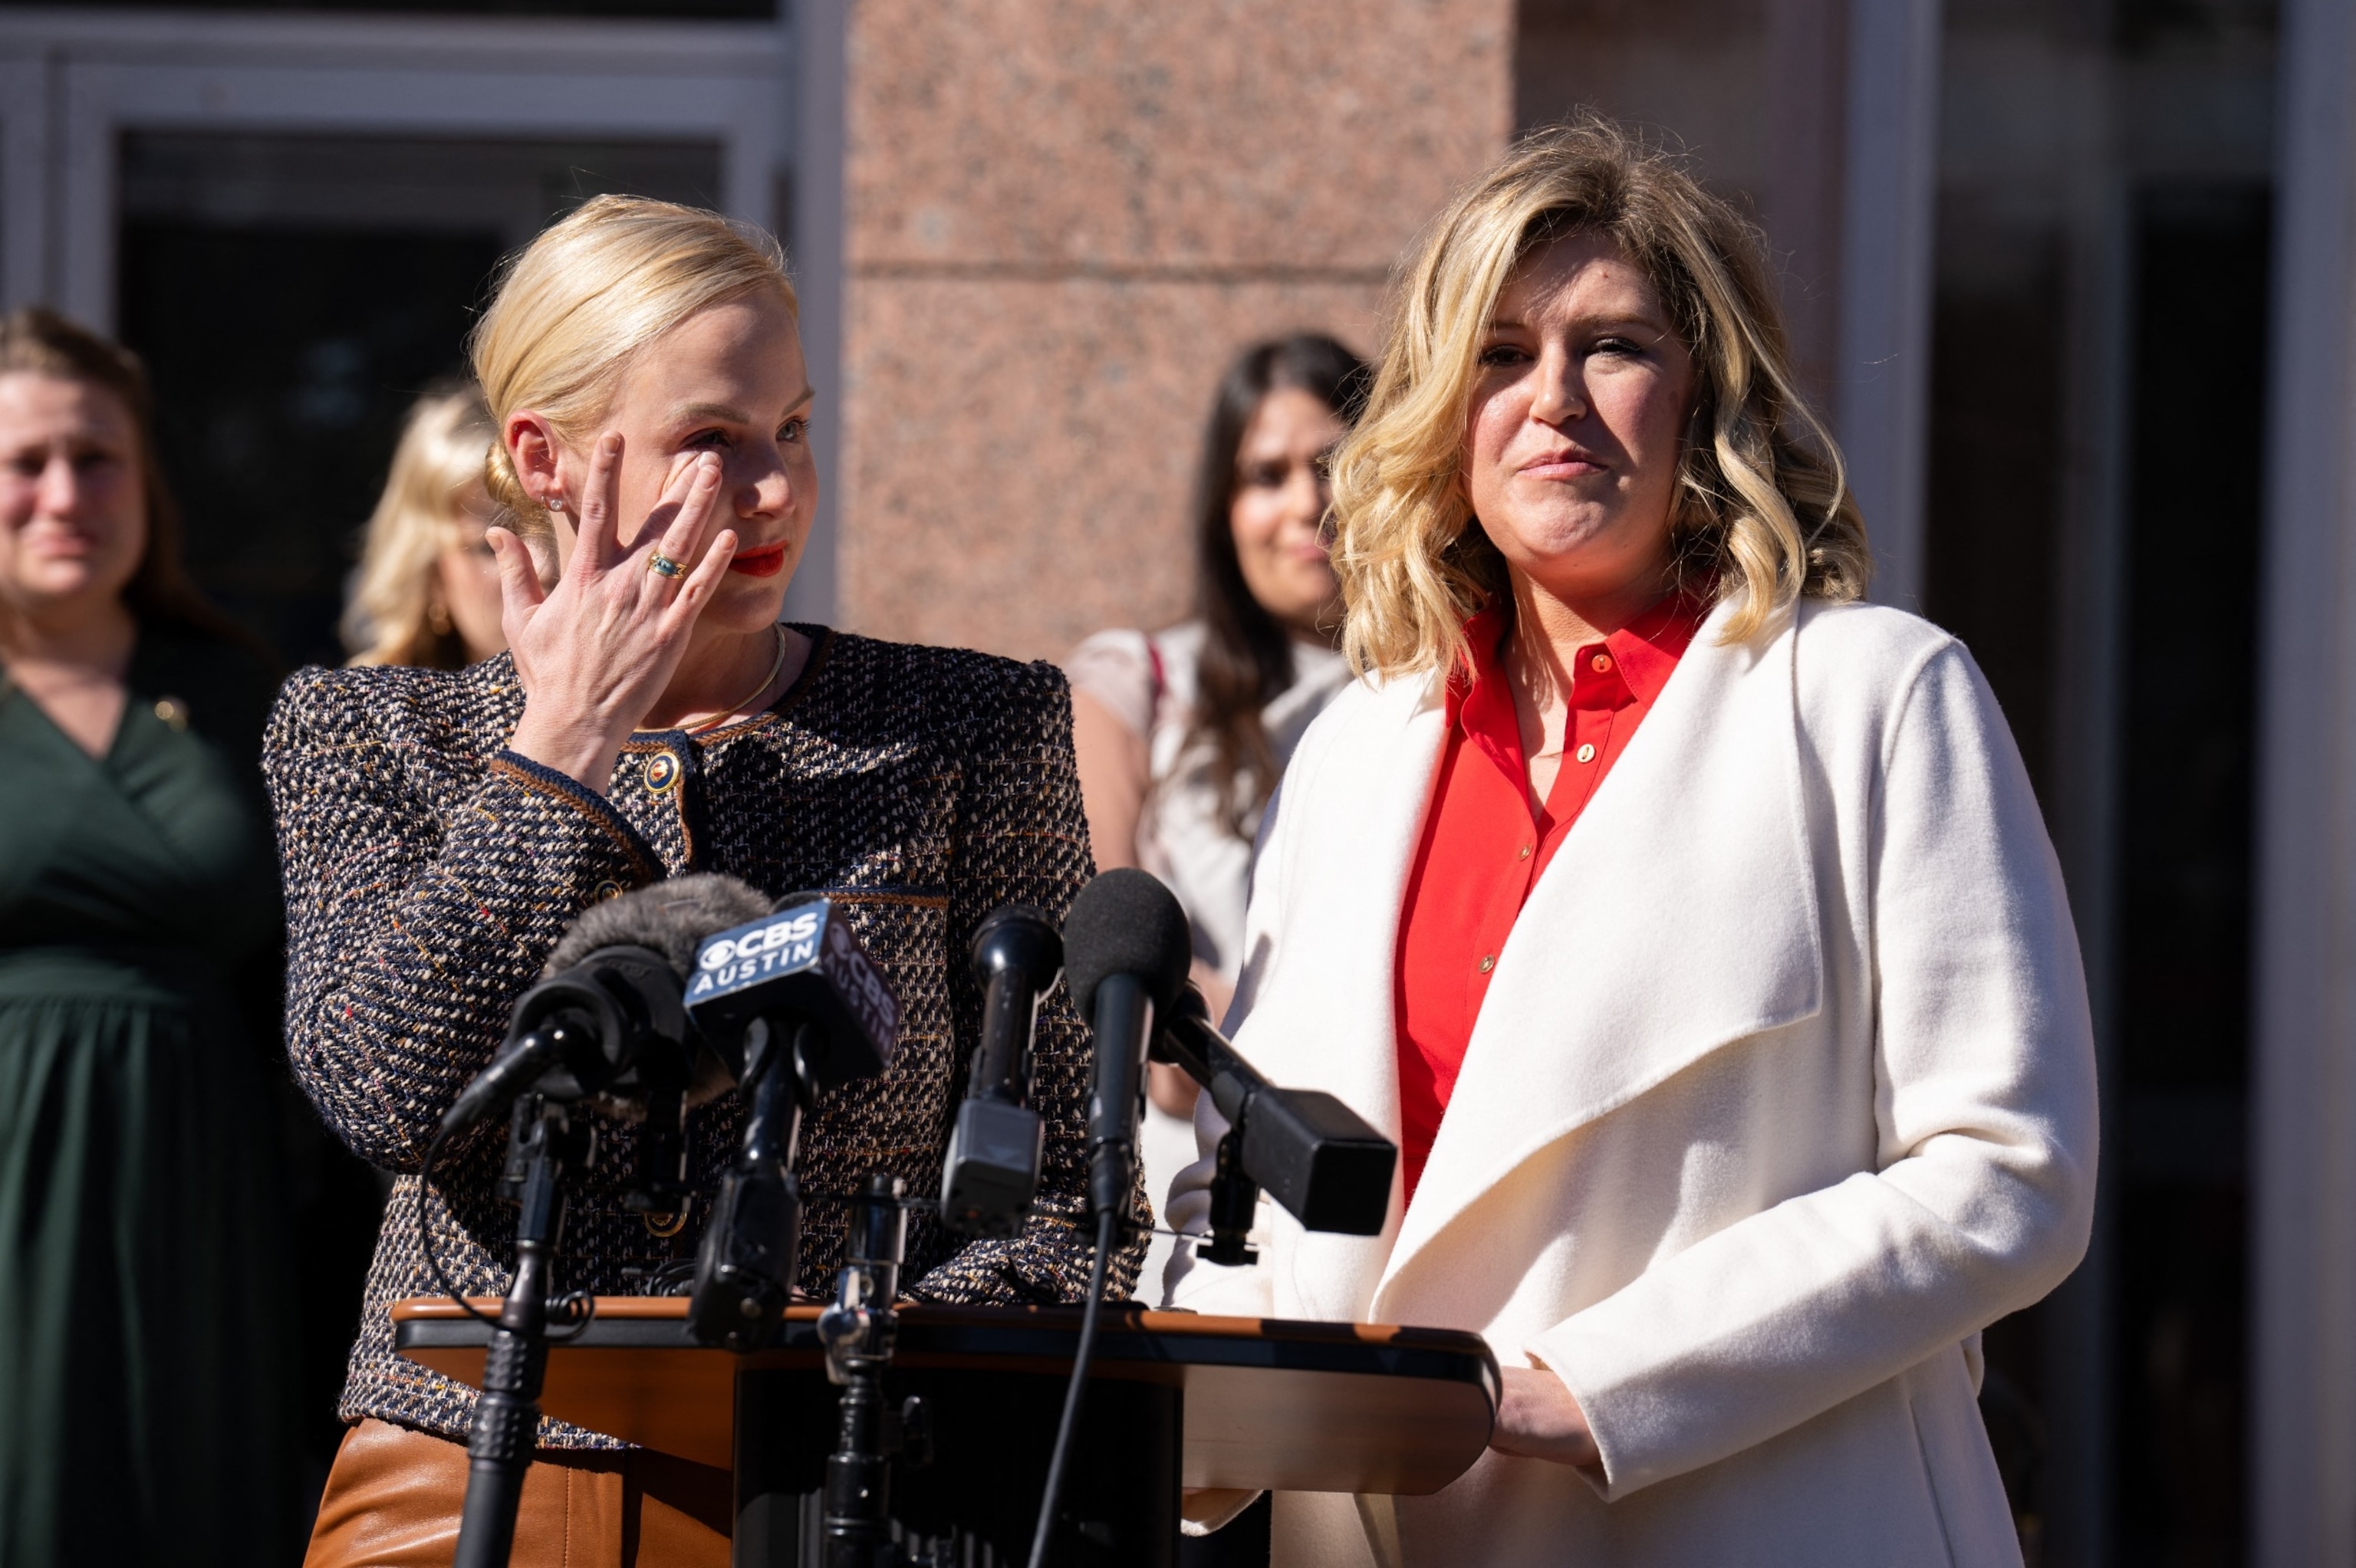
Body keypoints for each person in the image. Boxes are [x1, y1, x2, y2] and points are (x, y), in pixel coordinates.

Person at [1166, 120, 2098, 1566]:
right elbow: (1263, 1183)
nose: (1554, 401)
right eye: (1498, 352)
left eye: (1613, 346)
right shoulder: (1355, 746)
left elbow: (2004, 1170)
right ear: (1438, 405)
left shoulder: (1866, 692)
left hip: (1755, 1520)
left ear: (1704, 394)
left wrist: (1590, 1389)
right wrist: (1186, 1412)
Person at [269, 196, 1140, 1568]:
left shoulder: (977, 727)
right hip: (479, 1463)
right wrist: (559, 752)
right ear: (542, 458)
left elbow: (1076, 1201)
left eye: (789, 428)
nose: (777, 488)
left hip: (852, 1482)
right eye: (711, 441)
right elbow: (384, 1091)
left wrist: (868, 1375)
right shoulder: (371, 734)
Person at [0, 307, 301, 1564]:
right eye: (25, 462)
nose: (66, 493)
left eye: (99, 455)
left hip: (207, 1190)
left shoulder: (248, 696)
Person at [1066, 334, 1367, 1297]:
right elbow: (1101, 927)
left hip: (1383, 1159)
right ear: (1222, 510)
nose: (1304, 504)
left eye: (1330, 465)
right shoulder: (1135, 685)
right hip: (1190, 1158)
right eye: (1265, 475)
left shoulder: (1446, 695)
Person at [342, 383, 506, 668]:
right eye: (493, 547)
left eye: (565, 532)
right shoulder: (363, 708)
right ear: (431, 571)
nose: (546, 568)